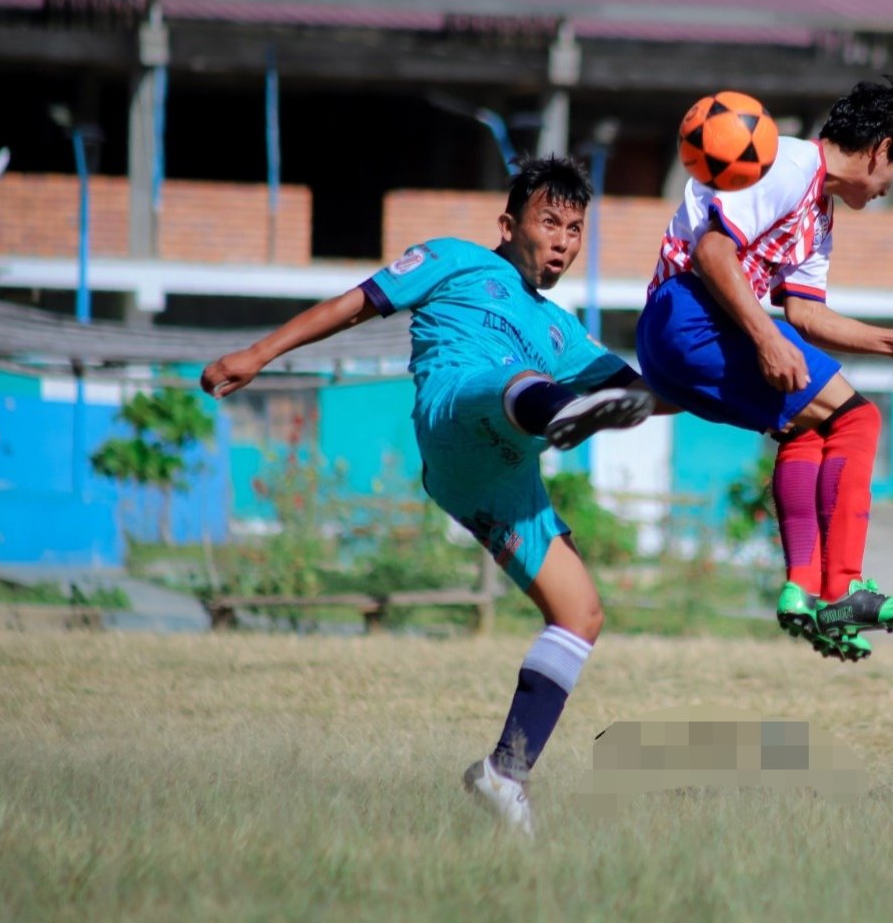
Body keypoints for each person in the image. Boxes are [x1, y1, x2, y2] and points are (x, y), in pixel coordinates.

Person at [201, 155, 671, 837]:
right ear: (508, 224)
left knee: (581, 613)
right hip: (456, 416)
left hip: (505, 474)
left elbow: (646, 396)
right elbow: (354, 303)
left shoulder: (561, 331)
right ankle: (557, 411)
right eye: (550, 221)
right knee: (505, 378)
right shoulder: (454, 261)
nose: (564, 240)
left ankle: (504, 770)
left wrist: (737, 377)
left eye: (575, 227)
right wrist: (259, 353)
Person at [637, 78, 893, 662]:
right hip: (688, 313)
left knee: (805, 423)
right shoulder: (786, 162)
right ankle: (846, 588)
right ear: (880, 149)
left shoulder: (820, 215)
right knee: (858, 422)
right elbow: (710, 253)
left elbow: (805, 314)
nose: (889, 188)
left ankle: (804, 591)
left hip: (677, 339)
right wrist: (763, 337)